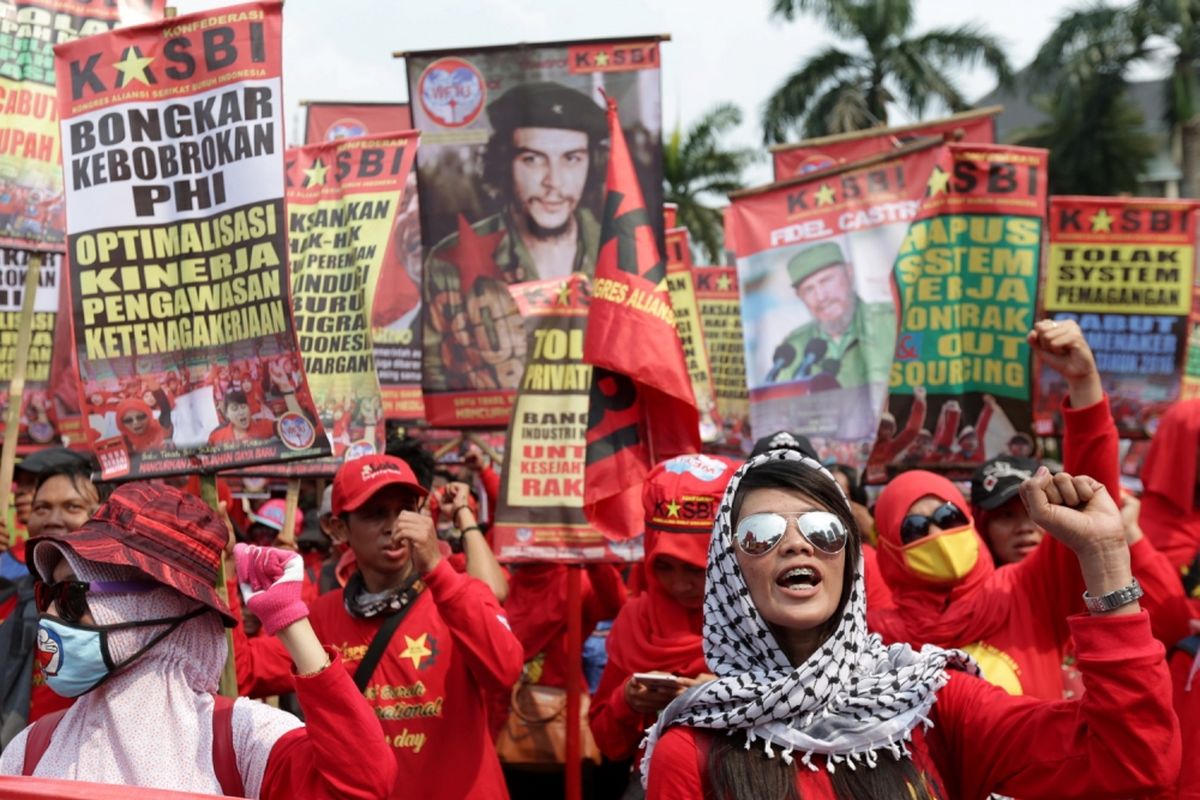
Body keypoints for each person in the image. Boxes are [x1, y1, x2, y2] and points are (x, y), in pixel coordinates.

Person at [641, 451, 1180, 799]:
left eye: (823, 528)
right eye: (760, 533)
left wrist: (1107, 558)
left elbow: (1133, 763)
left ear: (850, 558)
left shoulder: (928, 706)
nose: (796, 544)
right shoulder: (693, 752)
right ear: (729, 570)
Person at [0, 482, 397, 798]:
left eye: (72, 599)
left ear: (159, 606)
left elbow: (362, 785)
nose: (49, 618)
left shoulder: (242, 738)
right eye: (47, 596)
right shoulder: (31, 747)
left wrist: (290, 621)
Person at [234, 454, 524, 800]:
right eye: (375, 513)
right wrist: (220, 570)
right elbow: (243, 671)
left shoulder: (460, 594)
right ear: (337, 528)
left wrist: (436, 568)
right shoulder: (325, 613)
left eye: (405, 509)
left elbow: (506, 672)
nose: (394, 525)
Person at [423, 81, 607, 392]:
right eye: (533, 159)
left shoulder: (620, 254)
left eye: (572, 158)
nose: (554, 182)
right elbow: (434, 371)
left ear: (592, 164)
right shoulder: (448, 260)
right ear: (504, 165)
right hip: (492, 436)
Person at [589, 455, 736, 782]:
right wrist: (627, 700)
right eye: (664, 567)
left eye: (696, 569)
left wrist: (734, 695)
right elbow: (606, 742)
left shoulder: (770, 618)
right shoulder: (638, 619)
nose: (679, 585)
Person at [768, 241, 894, 388]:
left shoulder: (893, 321)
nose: (821, 297)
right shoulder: (793, 349)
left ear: (849, 273)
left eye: (826, 281)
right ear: (799, 296)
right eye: (809, 289)